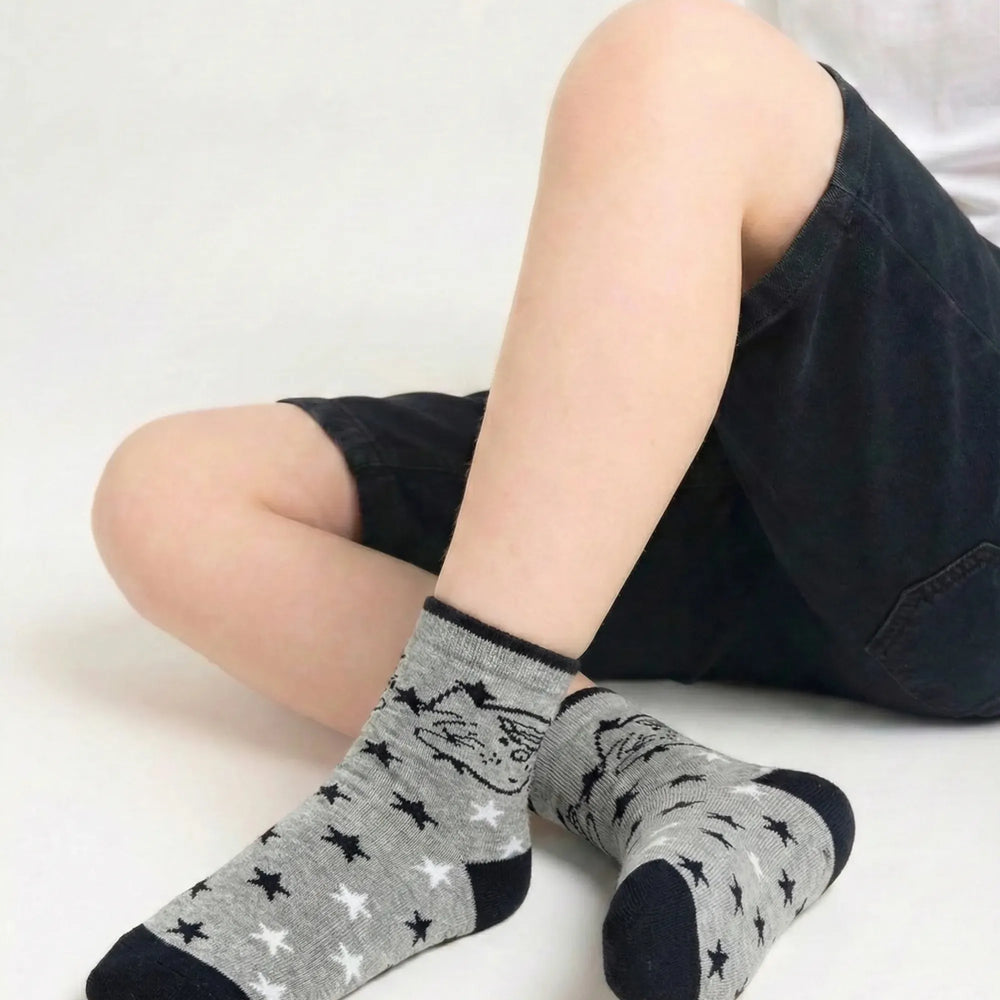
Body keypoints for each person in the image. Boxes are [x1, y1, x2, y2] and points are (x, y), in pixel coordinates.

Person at [85, 0, 1000, 998]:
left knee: (679, 61)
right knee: (171, 496)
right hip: (778, 413)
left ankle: (432, 789)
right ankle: (690, 795)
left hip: (965, 488)